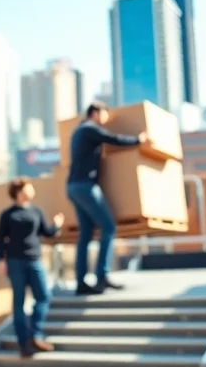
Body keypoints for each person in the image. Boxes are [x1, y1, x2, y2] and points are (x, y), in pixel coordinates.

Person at [65, 101, 148, 295]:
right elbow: (113, 139)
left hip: (73, 187)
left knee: (85, 233)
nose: (105, 120)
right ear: (94, 112)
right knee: (108, 226)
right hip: (85, 186)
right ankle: (102, 276)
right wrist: (139, 140)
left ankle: (81, 282)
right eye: (104, 114)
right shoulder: (89, 129)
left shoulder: (78, 131)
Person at [0, 177, 65, 357]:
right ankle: (23, 343)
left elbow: (47, 232)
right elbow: (0, 240)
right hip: (15, 261)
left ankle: (35, 334)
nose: (32, 190)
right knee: (19, 302)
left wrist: (57, 224)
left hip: (34, 260)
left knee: (43, 296)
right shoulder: (8, 214)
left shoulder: (37, 211)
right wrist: (1, 260)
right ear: (19, 192)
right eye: (29, 188)